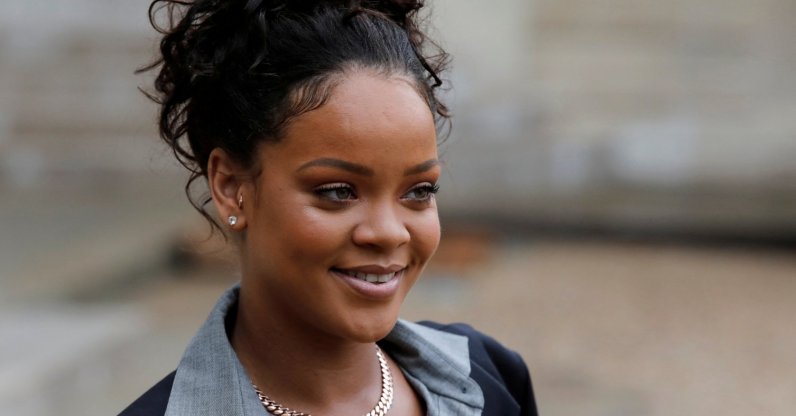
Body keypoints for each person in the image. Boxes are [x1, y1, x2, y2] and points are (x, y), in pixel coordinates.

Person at [120, 0, 537, 415]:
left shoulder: (489, 378)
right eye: (338, 192)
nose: (389, 232)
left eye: (419, 191)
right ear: (230, 187)